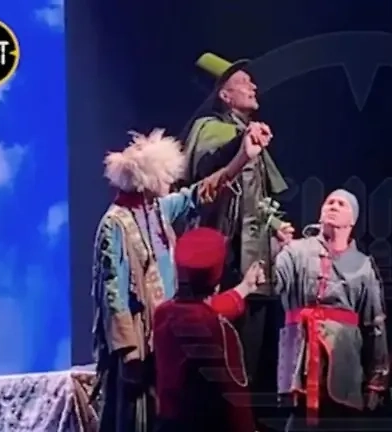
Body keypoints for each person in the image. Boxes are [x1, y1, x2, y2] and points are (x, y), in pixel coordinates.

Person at [91, 127, 269, 432]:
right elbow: (113, 292)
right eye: (166, 176)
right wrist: (129, 351)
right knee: (137, 416)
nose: (171, 182)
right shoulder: (115, 223)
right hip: (140, 340)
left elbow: (199, 194)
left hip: (169, 333)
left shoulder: (158, 209)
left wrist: (241, 158)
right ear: (148, 179)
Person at [181, 51, 293, 398]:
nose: (253, 86)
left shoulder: (248, 134)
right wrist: (240, 144)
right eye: (244, 82)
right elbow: (210, 165)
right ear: (225, 95)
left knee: (251, 361)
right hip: (225, 261)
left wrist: (276, 225)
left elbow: (256, 199)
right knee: (224, 356)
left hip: (254, 261)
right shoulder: (210, 129)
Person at [272, 189, 391, 430]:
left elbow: (374, 325)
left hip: (344, 358)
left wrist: (376, 379)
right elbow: (271, 283)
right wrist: (273, 248)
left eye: (341, 204)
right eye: (329, 202)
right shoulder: (296, 251)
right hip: (301, 358)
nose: (333, 206)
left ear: (352, 219)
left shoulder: (363, 266)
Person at [153, 227, 267, 432]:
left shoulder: (163, 315)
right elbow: (235, 404)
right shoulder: (220, 331)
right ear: (217, 281)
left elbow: (199, 311)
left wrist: (245, 288)